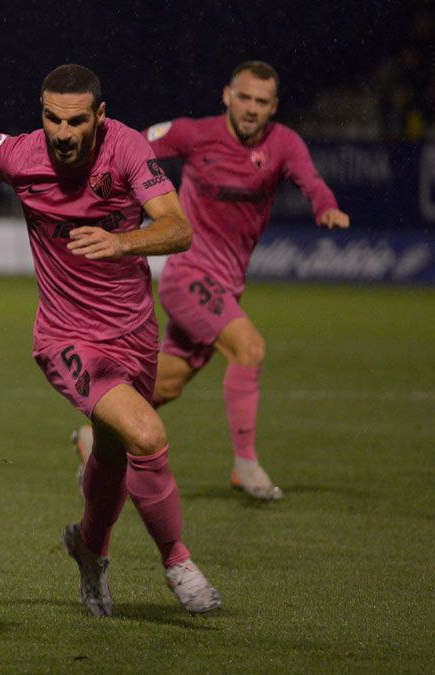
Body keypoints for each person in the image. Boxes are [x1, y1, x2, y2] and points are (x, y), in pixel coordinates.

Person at [0, 65, 221, 617]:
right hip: (66, 337)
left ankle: (90, 553)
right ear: (40, 114)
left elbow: (179, 227)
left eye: (75, 120)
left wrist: (122, 242)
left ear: (99, 115)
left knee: (113, 458)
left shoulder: (125, 149)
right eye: (52, 118)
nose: (63, 132)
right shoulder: (21, 155)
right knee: (147, 432)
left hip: (135, 334)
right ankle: (178, 562)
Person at [72, 62, 350, 501]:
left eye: (262, 102)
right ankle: (245, 465)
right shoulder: (194, 133)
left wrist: (325, 207)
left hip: (227, 284)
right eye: (245, 97)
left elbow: (311, 181)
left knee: (166, 383)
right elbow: (133, 146)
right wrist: (95, 179)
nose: (252, 108)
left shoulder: (284, 144)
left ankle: (93, 435)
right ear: (227, 96)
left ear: (273, 107)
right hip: (188, 276)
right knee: (249, 348)